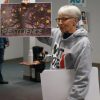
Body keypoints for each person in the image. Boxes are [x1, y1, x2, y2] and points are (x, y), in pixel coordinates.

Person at [37, 5, 92, 100]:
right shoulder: (57, 33)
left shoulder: (83, 44)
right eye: (58, 19)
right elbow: (38, 31)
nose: (59, 23)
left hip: (69, 90)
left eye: (64, 19)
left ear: (75, 21)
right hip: (54, 85)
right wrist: (28, 8)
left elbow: (82, 78)